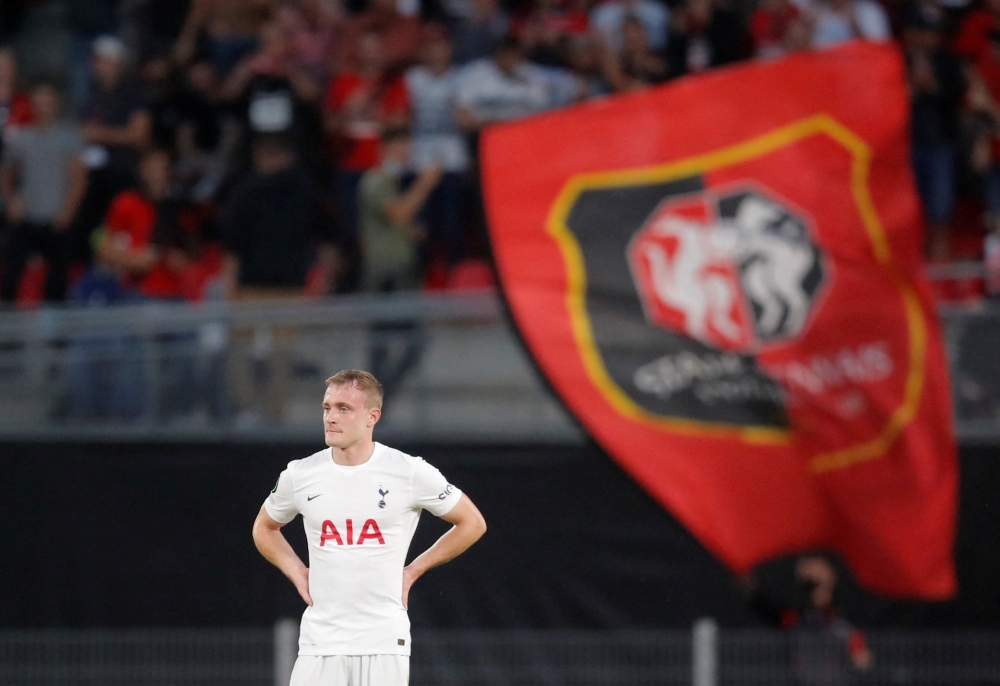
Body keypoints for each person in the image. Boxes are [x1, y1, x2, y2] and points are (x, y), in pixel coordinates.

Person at [253, 369, 487, 686]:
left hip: (383, 641)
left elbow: (472, 522)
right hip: (320, 642)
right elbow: (264, 528)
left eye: (343, 409)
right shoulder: (300, 474)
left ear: (371, 417)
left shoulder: (408, 471)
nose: (331, 417)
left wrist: (413, 571)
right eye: (327, 408)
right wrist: (296, 570)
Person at [0, 81, 88, 303]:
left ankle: (55, 333)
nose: (43, 108)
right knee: (11, 276)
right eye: (39, 103)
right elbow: (7, 175)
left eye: (48, 103)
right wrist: (11, 202)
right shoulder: (22, 138)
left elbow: (79, 179)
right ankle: (9, 331)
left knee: (57, 282)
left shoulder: (69, 137)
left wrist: (68, 212)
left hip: (57, 218)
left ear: (55, 105)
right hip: (27, 217)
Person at [405, 27, 469, 266]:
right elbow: (401, 112)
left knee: (452, 223)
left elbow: (467, 115)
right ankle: (421, 275)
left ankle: (455, 272)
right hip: (420, 159)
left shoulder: (462, 77)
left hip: (452, 159)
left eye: (441, 46)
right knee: (422, 224)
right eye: (431, 47)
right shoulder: (413, 79)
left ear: (449, 49)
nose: (436, 52)